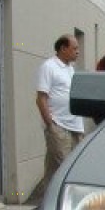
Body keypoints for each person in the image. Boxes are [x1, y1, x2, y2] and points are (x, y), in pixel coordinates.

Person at [35, 34, 83, 193]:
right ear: (63, 48)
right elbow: (41, 98)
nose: (78, 51)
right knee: (63, 168)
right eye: (74, 48)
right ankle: (55, 202)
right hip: (59, 126)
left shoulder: (70, 69)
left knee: (64, 168)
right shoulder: (49, 66)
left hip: (75, 126)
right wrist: (51, 124)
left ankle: (55, 201)